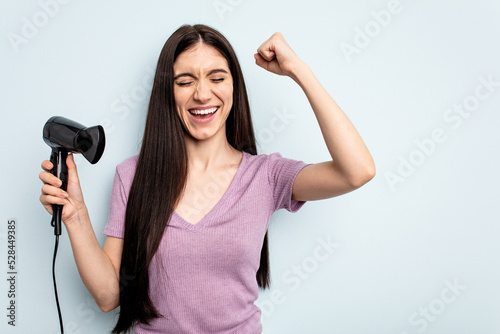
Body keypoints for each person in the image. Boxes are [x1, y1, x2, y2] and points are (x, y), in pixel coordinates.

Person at [39, 24, 375, 334]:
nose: (202, 94)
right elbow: (109, 296)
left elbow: (356, 171)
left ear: (234, 86)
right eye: (185, 81)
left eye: (217, 78)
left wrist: (300, 71)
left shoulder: (266, 176)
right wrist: (76, 216)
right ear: (167, 92)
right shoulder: (132, 176)